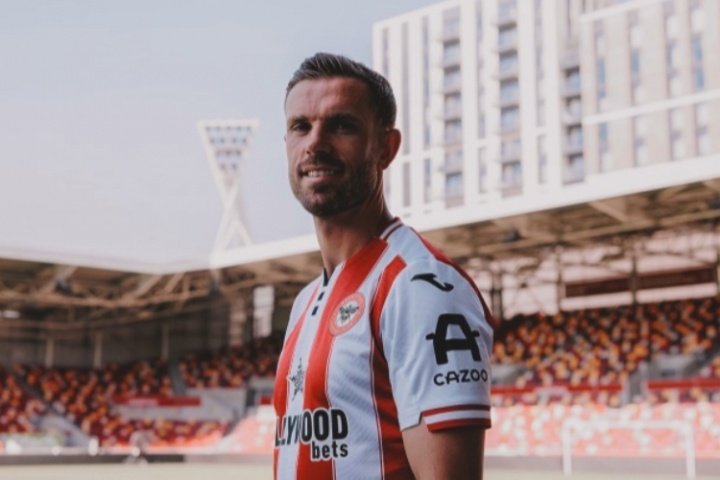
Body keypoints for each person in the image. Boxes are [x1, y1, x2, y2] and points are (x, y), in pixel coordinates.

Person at [273, 52, 495, 480]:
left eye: (341, 125)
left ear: (385, 149)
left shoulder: (420, 286)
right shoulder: (305, 301)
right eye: (301, 126)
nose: (315, 143)